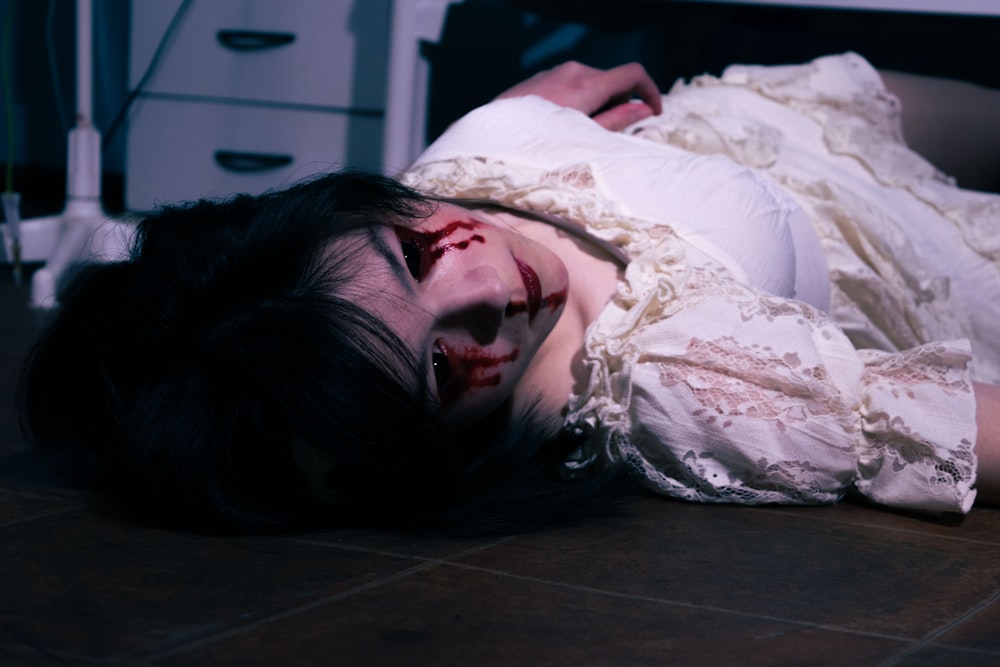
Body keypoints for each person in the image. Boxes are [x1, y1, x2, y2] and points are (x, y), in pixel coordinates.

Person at [18, 53, 1000, 535]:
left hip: (808, 115)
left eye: (416, 251)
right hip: (947, 254)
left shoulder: (444, 174)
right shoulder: (683, 383)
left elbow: (536, 111)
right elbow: (947, 426)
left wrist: (522, 116)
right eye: (447, 366)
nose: (494, 285)